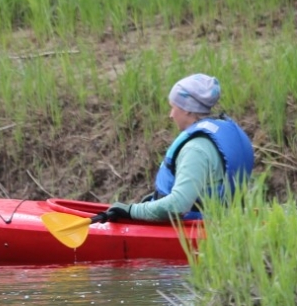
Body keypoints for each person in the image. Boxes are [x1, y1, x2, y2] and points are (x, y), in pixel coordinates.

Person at [89, 74, 256, 224]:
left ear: (188, 110)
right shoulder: (222, 132)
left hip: (196, 228)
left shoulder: (196, 150)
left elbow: (178, 205)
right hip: (222, 221)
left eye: (174, 107)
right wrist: (154, 202)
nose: (171, 115)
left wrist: (132, 211)